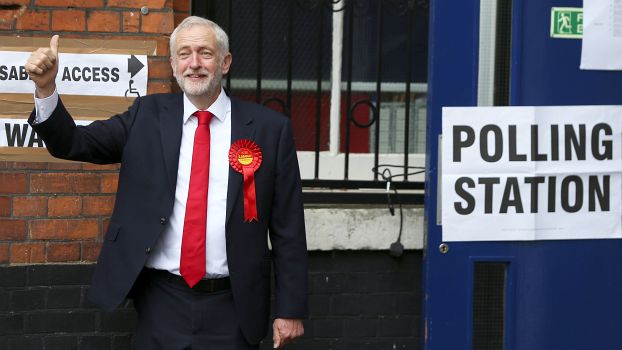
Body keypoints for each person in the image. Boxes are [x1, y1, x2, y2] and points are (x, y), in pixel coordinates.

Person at [25, 16, 308, 350]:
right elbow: (72, 143)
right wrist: (46, 89)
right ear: (173, 65)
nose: (195, 64)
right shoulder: (146, 115)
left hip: (234, 305)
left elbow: (288, 228)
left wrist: (290, 309)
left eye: (205, 53)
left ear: (225, 62)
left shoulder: (269, 130)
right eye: (184, 54)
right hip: (162, 300)